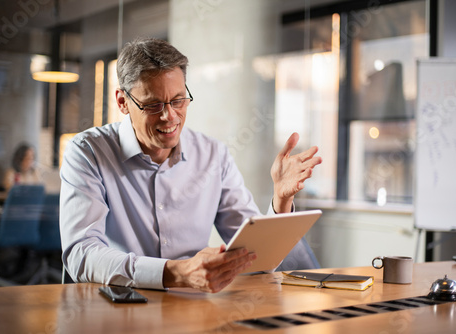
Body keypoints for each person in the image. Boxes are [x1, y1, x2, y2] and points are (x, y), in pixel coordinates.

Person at [60, 37, 322, 293]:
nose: (169, 116)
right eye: (153, 105)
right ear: (122, 102)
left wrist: (281, 200)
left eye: (178, 100)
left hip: (193, 309)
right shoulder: (87, 152)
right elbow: (81, 254)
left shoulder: (213, 154)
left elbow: (256, 256)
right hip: (116, 309)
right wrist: (175, 273)